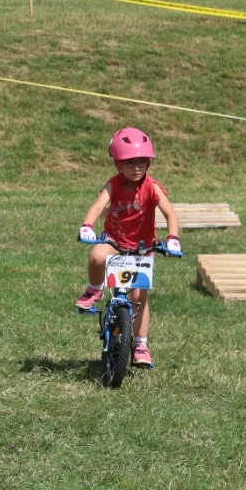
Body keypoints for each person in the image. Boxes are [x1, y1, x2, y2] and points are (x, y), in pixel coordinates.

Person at [76, 127, 183, 368]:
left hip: (143, 248)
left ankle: (141, 345)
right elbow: (98, 205)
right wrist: (87, 225)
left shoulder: (152, 187)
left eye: (142, 162)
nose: (137, 168)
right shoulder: (113, 185)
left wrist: (173, 237)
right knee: (96, 255)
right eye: (130, 163)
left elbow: (170, 213)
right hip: (115, 240)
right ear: (117, 165)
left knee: (139, 297)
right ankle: (94, 290)